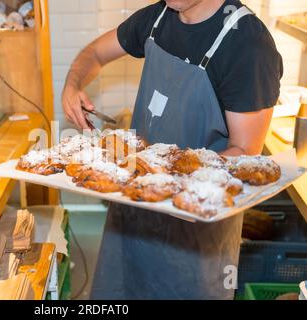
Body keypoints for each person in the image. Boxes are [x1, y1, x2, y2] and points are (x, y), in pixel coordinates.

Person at [62, 0, 283, 299]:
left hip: (193, 242)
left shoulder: (247, 44)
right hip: (129, 223)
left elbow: (244, 154)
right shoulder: (158, 17)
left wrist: (163, 179)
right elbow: (95, 53)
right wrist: (72, 84)